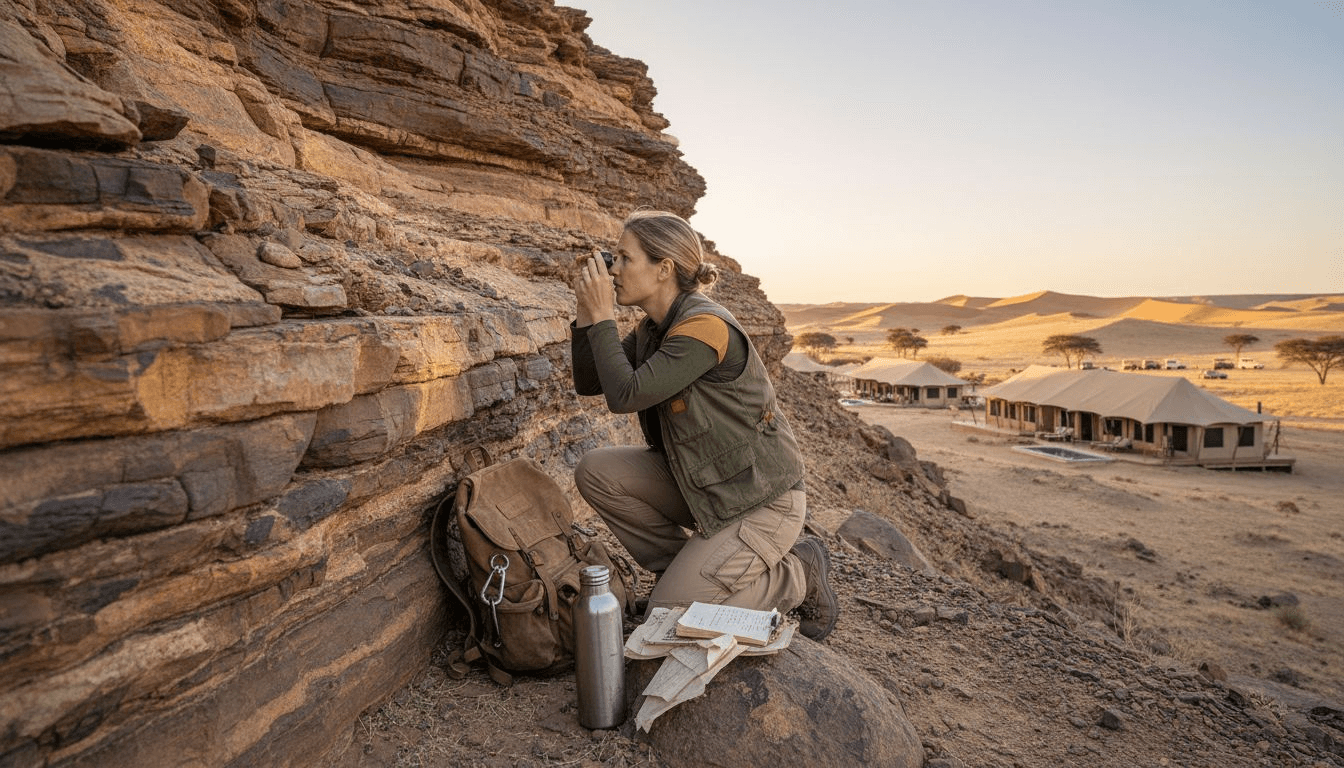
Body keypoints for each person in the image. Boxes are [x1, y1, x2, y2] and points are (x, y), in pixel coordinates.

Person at [569, 210, 839, 640]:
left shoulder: (704, 328)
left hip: (761, 501)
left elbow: (625, 395)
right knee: (596, 472)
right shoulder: (654, 329)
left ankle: (796, 574)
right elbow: (590, 382)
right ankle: (689, 573)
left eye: (623, 258)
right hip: (709, 485)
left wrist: (603, 315)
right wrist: (588, 312)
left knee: (669, 618)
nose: (614, 269)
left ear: (664, 269)